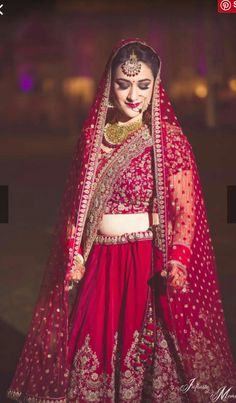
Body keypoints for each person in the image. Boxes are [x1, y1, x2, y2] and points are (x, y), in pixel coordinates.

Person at [7, 38, 236, 403]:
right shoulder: (91, 139)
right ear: (108, 84)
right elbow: (75, 208)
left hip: (146, 265)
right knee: (89, 354)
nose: (133, 94)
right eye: (123, 83)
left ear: (155, 86)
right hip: (99, 265)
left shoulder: (168, 142)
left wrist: (178, 258)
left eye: (143, 85)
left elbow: (185, 209)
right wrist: (74, 253)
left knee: (145, 363)